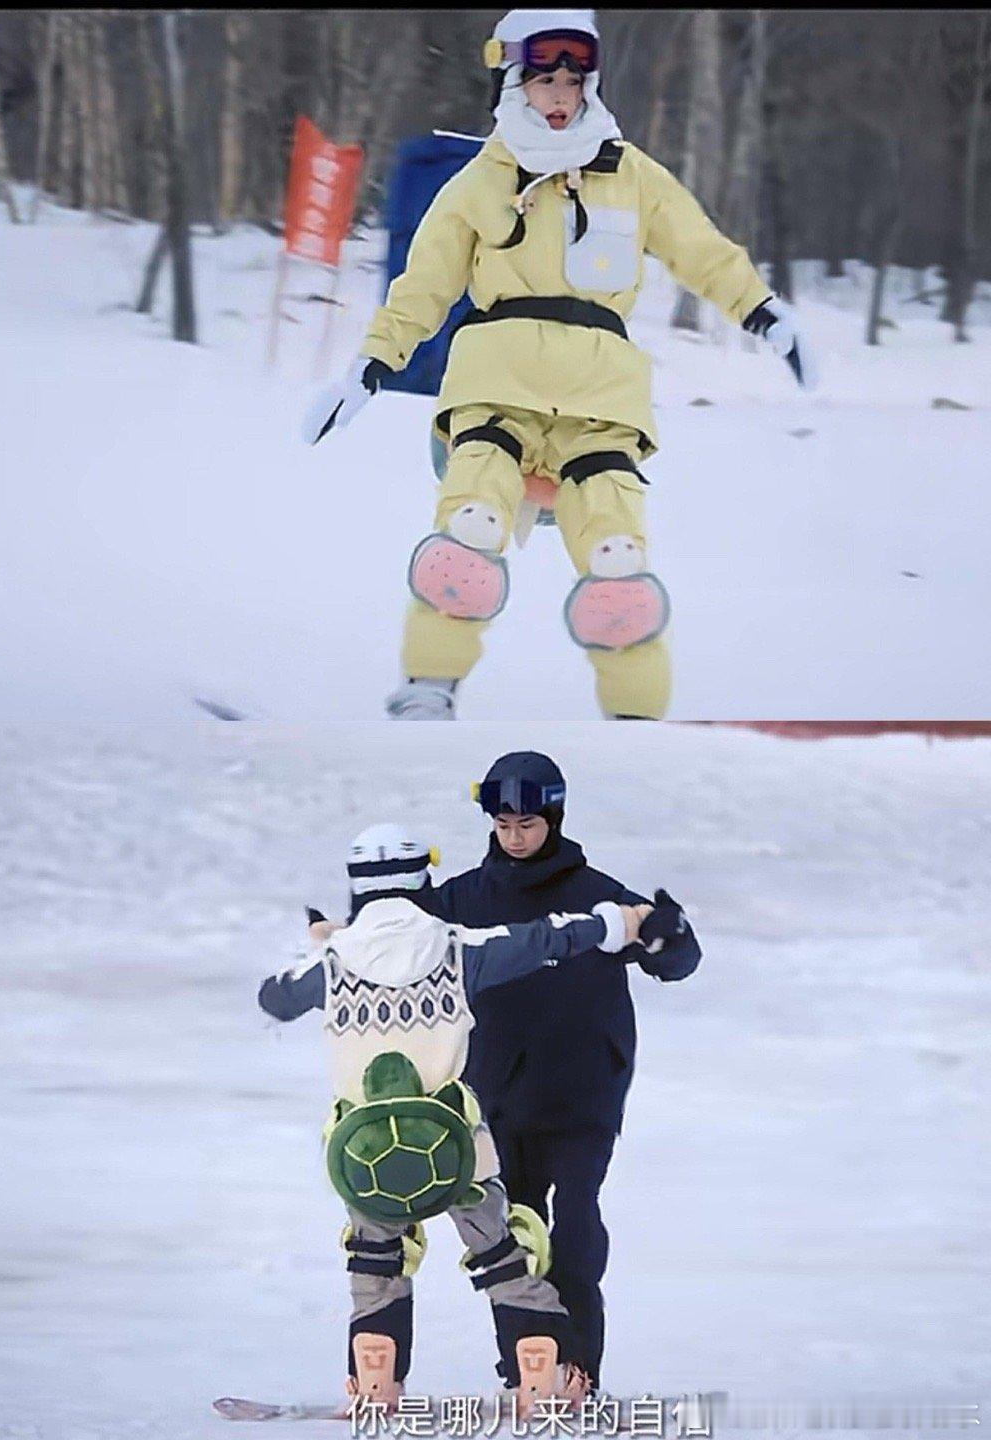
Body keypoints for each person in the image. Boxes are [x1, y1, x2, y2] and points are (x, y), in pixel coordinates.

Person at [304, 8, 817, 721]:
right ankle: (429, 688)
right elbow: (422, 289)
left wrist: (762, 311)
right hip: (496, 392)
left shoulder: (627, 174)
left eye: (573, 80)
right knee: (470, 536)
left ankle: (636, 717)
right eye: (544, 78)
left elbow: (700, 248)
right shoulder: (481, 183)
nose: (560, 93)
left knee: (618, 568)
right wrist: (369, 367)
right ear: (513, 84)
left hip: (600, 401)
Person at [257, 821, 652, 1414]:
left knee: (376, 1261)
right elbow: (543, 939)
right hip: (457, 1147)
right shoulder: (453, 946)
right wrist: (614, 923)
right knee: (501, 1255)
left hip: (363, 1152)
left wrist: (323, 944)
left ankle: (376, 1382)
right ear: (422, 881)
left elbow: (275, 996)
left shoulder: (334, 961)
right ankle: (537, 1375)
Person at [426, 753, 703, 1391]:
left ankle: (578, 1366)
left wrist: (671, 934)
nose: (515, 836)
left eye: (527, 823)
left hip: (585, 1091)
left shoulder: (599, 895)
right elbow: (398, 945)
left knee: (576, 1225)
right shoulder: (462, 898)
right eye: (502, 825)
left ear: (553, 816)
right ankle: (528, 1368)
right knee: (511, 1235)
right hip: (498, 1095)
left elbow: (676, 961)